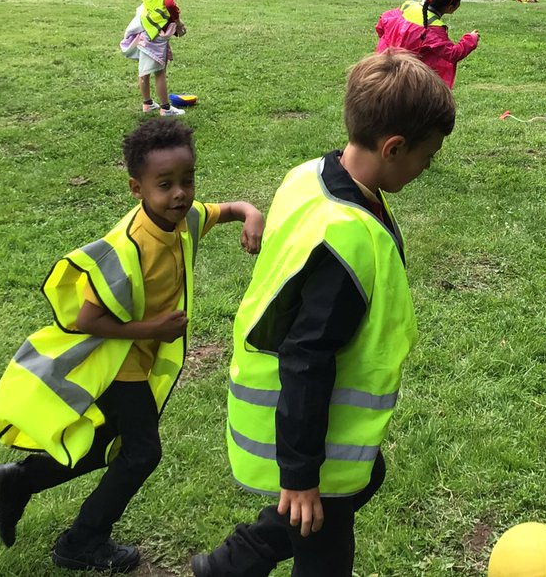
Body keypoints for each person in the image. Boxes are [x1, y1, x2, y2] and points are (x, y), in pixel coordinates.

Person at [191, 50, 457, 577]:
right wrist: (300, 475)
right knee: (325, 550)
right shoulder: (347, 239)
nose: (427, 169)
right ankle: (234, 562)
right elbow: (306, 359)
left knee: (367, 477)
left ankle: (234, 562)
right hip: (306, 420)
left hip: (306, 417)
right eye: (427, 157)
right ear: (394, 146)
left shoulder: (309, 174)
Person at [0, 119, 264, 573]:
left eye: (187, 181)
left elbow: (232, 208)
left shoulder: (185, 218)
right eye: (165, 185)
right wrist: (153, 328)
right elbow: (87, 318)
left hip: (136, 358)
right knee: (141, 453)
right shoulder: (128, 246)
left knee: (105, 444)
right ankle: (81, 541)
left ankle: (21, 481)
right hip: (120, 365)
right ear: (137, 188)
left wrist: (252, 215)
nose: (180, 193)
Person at [374, 0, 479, 89]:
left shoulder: (408, 6)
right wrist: (471, 39)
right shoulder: (433, 28)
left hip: (384, 68)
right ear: (451, 8)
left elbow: (382, 23)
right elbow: (452, 54)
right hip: (409, 79)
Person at [121, 0, 187, 116]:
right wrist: (178, 23)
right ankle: (166, 108)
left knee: (143, 71)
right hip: (157, 35)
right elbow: (171, 6)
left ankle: (147, 104)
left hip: (146, 32)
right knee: (160, 72)